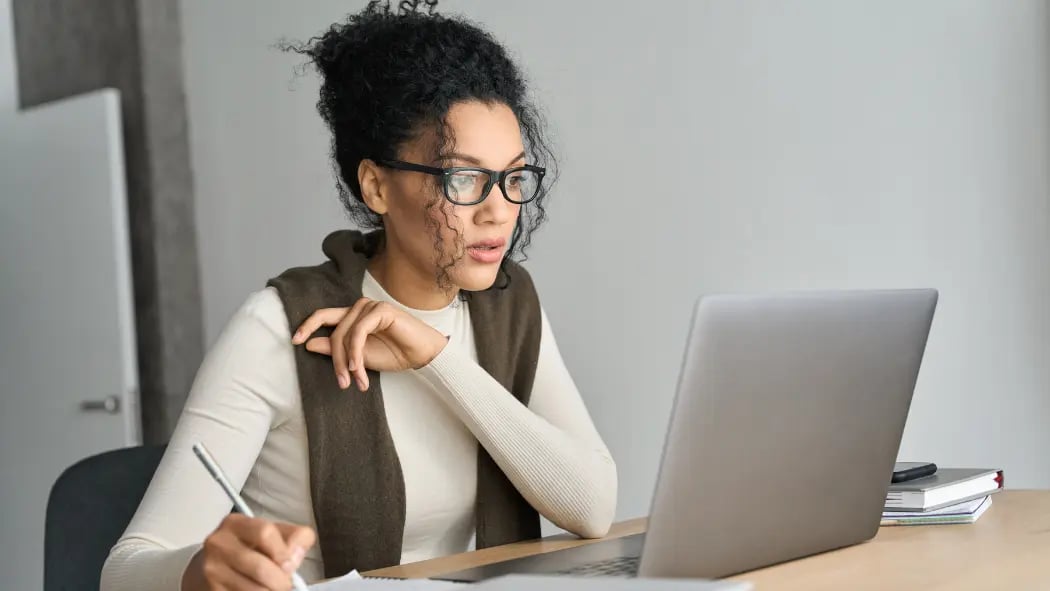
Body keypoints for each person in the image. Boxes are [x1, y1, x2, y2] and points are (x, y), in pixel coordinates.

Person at [101, 2, 617, 590]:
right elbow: (124, 568)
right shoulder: (280, 326)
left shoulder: (508, 303)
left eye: (513, 177)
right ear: (376, 185)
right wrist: (196, 574)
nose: (499, 210)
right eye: (464, 179)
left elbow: (592, 506)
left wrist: (434, 358)